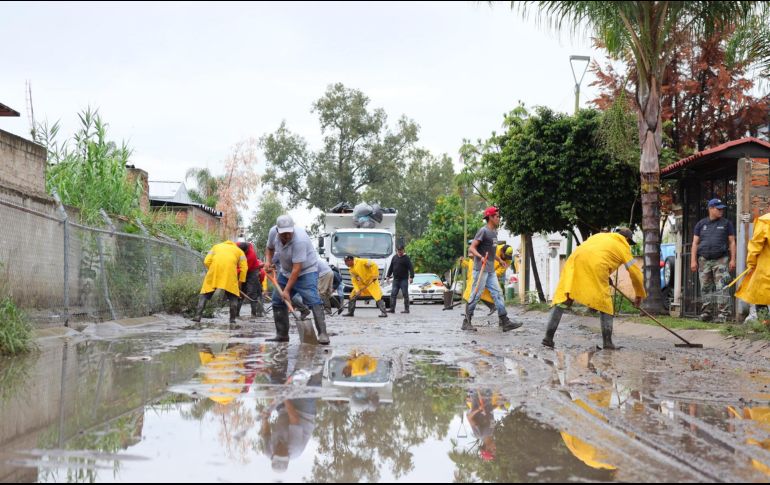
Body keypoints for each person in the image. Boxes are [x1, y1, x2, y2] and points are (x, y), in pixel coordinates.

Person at [542, 228, 646, 350]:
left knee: (564, 298)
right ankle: (608, 343)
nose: (628, 245)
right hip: (595, 266)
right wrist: (639, 295)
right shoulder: (623, 245)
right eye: (629, 242)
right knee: (605, 304)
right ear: (627, 239)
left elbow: (597, 255)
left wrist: (605, 276)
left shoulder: (599, 236)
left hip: (574, 261)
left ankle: (548, 338)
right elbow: (635, 273)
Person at [264, 215, 329, 345]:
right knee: (277, 301)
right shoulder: (273, 232)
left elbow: (297, 269)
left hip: (306, 271)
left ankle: (323, 334)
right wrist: (268, 262)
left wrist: (287, 290)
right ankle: (282, 335)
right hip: (286, 271)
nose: (287, 236)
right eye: (284, 234)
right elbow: (269, 249)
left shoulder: (300, 240)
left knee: (313, 299)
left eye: (289, 233)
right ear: (277, 231)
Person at [462, 206, 522, 332]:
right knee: (476, 294)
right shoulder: (483, 231)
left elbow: (491, 252)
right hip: (481, 269)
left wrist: (500, 260)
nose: (499, 219)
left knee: (498, 294)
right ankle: (466, 322)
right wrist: (480, 257)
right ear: (490, 217)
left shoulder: (494, 233)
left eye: (499, 216)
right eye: (497, 216)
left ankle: (505, 321)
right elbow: (471, 248)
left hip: (490, 270)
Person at [690, 198, 737, 322]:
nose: (721, 210)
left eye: (722, 209)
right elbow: (695, 243)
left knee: (722, 287)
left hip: (721, 260)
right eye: (718, 208)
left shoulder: (726, 223)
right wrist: (693, 261)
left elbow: (732, 242)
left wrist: (733, 260)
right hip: (704, 260)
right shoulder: (701, 224)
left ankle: (724, 315)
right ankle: (706, 313)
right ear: (711, 209)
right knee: (705, 287)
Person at [192, 239, 247, 324]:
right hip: (230, 275)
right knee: (233, 297)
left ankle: (197, 317)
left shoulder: (216, 247)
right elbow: (244, 268)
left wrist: (213, 269)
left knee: (204, 295)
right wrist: (240, 282)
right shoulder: (239, 251)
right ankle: (232, 320)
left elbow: (206, 261)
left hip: (214, 273)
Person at [736, 211, 770, 309]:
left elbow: (755, 246)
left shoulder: (765, 221)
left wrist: (751, 263)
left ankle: (764, 322)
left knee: (759, 295)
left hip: (765, 267)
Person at [236, 241, 265, 318]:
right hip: (244, 269)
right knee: (240, 293)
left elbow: (243, 269)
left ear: (245, 251)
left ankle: (254, 314)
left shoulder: (251, 256)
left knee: (252, 293)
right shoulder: (237, 245)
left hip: (251, 271)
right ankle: (236, 314)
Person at [386, 245, 414, 313]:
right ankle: (392, 309)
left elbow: (411, 268)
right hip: (395, 280)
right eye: (398, 250)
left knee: (405, 294)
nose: (399, 252)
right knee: (393, 294)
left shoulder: (406, 258)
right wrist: (388, 276)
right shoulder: (394, 257)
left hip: (403, 280)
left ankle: (406, 309)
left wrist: (411, 277)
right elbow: (391, 267)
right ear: (397, 250)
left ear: (403, 250)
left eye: (401, 250)